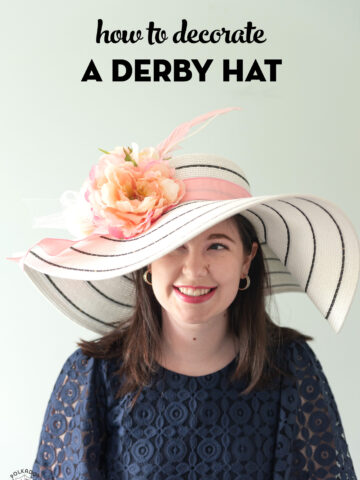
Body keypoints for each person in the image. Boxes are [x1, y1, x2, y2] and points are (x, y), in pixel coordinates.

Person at [10, 108, 358, 478]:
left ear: (247, 260)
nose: (194, 269)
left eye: (218, 246)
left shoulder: (291, 367)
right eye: (174, 245)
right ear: (146, 259)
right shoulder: (93, 373)